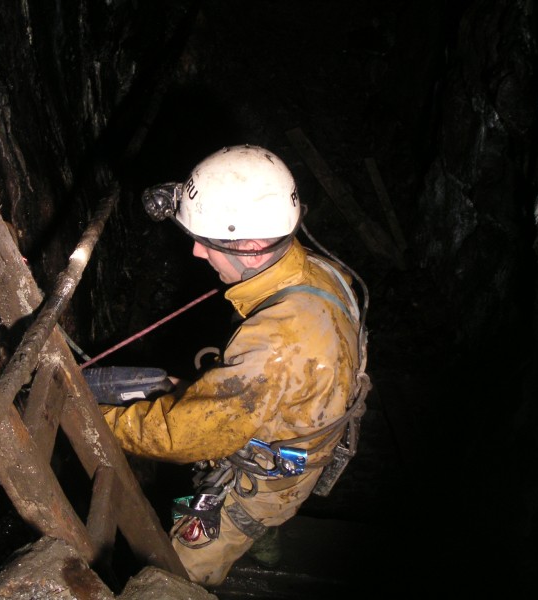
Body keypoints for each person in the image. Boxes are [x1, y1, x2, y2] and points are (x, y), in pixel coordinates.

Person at [101, 144, 370, 585]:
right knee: (265, 516)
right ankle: (266, 545)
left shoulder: (275, 345)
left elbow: (182, 435)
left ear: (251, 247)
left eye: (207, 244)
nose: (197, 253)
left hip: (262, 483)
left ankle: (223, 554)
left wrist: (104, 422)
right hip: (300, 434)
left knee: (171, 573)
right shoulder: (318, 273)